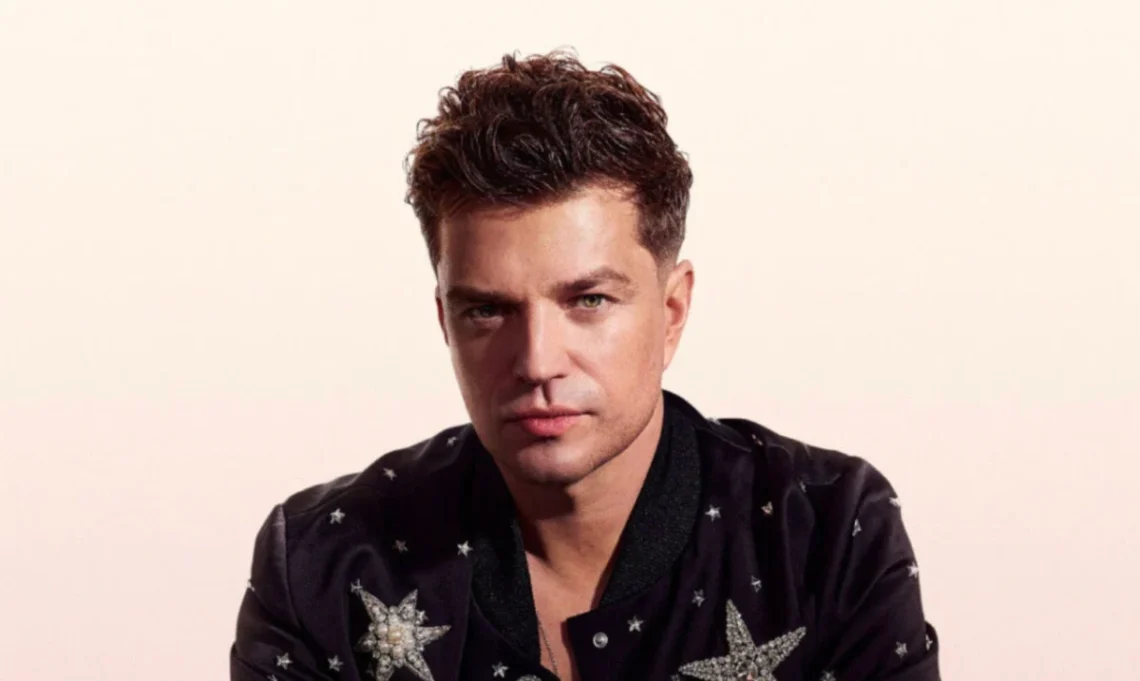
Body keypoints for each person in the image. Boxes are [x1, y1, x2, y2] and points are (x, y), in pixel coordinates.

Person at [230, 49, 940, 681]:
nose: (537, 361)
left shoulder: (822, 533)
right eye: (487, 311)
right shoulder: (324, 560)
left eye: (589, 300)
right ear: (445, 321)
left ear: (671, 311)